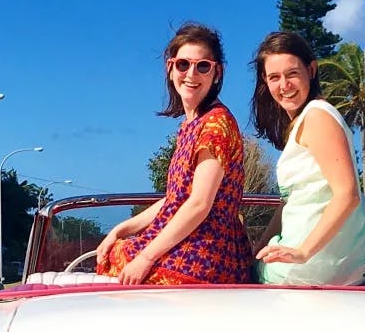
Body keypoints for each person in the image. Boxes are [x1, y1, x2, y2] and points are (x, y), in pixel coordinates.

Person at [96, 22, 251, 285]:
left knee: (121, 261)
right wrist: (120, 229)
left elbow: (199, 204)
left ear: (217, 73)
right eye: (183, 64)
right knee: (116, 250)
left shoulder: (216, 124)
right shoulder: (192, 124)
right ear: (170, 69)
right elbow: (175, 200)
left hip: (207, 253)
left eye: (203, 66)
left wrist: (146, 258)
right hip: (190, 242)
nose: (192, 74)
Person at [250, 31, 365, 286]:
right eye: (274, 77)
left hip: (318, 262)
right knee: (251, 263)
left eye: (292, 73)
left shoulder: (318, 117)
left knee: (234, 276)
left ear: (311, 70)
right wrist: (260, 248)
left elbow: (348, 194)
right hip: (332, 259)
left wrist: (303, 252)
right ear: (265, 81)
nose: (284, 85)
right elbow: (293, 200)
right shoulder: (307, 119)